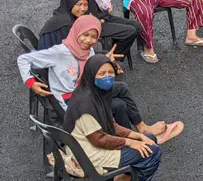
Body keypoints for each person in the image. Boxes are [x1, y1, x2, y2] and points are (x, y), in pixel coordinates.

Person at [18, 15, 182, 142]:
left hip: (85, 90)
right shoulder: (60, 52)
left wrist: (105, 61)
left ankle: (134, 136)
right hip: (71, 100)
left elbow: (90, 69)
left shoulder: (87, 50)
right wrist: (31, 82)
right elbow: (23, 59)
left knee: (120, 99)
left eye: (93, 37)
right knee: (119, 100)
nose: (88, 40)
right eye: (85, 35)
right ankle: (136, 136)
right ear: (76, 31)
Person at [63, 55, 162, 181]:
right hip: (89, 156)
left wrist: (136, 135)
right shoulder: (85, 104)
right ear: (91, 74)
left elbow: (111, 124)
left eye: (110, 72)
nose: (107, 77)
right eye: (102, 73)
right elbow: (99, 139)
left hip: (91, 146)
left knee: (149, 139)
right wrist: (130, 142)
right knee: (152, 153)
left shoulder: (95, 94)